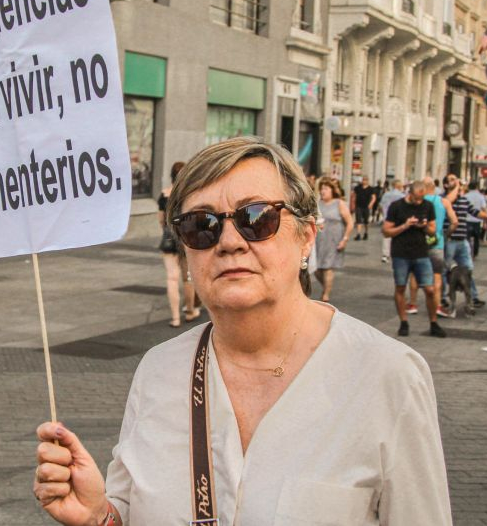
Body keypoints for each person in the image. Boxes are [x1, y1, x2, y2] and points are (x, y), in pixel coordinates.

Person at [33, 137, 452, 524]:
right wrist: (98, 516)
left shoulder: (387, 375)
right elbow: (130, 510)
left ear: (306, 236)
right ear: (185, 254)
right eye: (202, 225)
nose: (229, 241)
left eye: (257, 218)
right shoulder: (159, 370)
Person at [384, 180, 443, 337]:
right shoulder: (397, 206)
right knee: (400, 287)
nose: (419, 202)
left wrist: (423, 226)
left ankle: (434, 322)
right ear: (410, 193)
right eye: (416, 198)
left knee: (430, 289)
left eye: (421, 198)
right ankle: (404, 322)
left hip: (421, 252)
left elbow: (432, 230)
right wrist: (405, 225)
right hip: (401, 253)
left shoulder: (427, 206)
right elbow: (386, 231)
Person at [157, 161, 198, 327]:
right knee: (187, 277)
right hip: (185, 237)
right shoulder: (189, 195)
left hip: (168, 238)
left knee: (171, 278)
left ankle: (175, 318)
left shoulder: (165, 194)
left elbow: (161, 218)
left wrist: (166, 229)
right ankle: (190, 311)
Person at [409, 178, 458, 319]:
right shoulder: (443, 202)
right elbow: (455, 222)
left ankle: (412, 304)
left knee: (414, 274)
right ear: (434, 187)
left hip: (419, 243)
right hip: (437, 244)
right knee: (437, 276)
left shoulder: (417, 201)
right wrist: (445, 234)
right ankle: (437, 306)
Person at [441, 173, 487, 308]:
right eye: (451, 180)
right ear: (445, 185)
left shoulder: (463, 199)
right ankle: (443, 298)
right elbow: (448, 201)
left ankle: (473, 296)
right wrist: (457, 186)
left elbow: (475, 212)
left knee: (468, 269)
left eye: (455, 179)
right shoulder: (443, 199)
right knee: (445, 270)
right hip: (449, 240)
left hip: (462, 241)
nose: (455, 181)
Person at [314, 178, 353, 302]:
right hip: (319, 240)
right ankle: (326, 286)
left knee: (328, 267)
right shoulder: (318, 204)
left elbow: (350, 222)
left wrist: (345, 239)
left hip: (334, 240)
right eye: (321, 188)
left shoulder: (339, 203)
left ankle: (326, 294)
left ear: (332, 190)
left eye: (325, 188)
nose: (322, 191)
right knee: (316, 268)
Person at [379, 180, 406, 263]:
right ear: (399, 187)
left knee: (387, 237)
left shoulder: (386, 195)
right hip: (398, 219)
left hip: (387, 217)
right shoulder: (402, 196)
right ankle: (398, 253)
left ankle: (385, 255)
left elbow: (380, 205)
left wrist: (383, 214)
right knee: (398, 236)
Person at [350, 175, 377, 240]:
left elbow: (374, 198)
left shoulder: (371, 189)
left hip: (366, 207)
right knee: (358, 220)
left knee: (366, 221)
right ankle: (358, 234)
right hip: (358, 206)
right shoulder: (357, 188)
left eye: (365, 180)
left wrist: (371, 204)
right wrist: (353, 204)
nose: (364, 181)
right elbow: (353, 196)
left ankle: (366, 232)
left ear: (368, 181)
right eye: (363, 180)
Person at [465, 180, 487, 258]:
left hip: (467, 220)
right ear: (477, 187)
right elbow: (484, 209)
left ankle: (467, 253)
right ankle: (475, 253)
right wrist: (485, 222)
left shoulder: (466, 196)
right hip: (477, 220)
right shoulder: (481, 196)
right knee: (476, 238)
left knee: (467, 238)